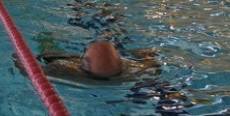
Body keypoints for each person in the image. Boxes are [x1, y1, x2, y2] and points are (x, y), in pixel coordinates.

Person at [17, 41, 159, 85]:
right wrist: (145, 54)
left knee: (46, 48)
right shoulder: (136, 70)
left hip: (74, 67)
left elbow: (25, 70)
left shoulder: (61, 69)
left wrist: (17, 55)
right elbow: (151, 62)